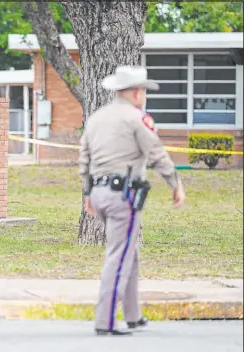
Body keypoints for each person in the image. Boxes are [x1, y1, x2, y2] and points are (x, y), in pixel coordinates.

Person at [78, 65, 185, 336]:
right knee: (118, 256)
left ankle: (133, 316)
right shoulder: (137, 119)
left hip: (100, 193)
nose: (145, 95)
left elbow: (84, 159)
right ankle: (106, 321)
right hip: (122, 195)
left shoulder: (96, 118)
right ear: (136, 92)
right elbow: (156, 153)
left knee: (128, 252)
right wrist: (175, 183)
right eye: (144, 91)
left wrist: (88, 193)